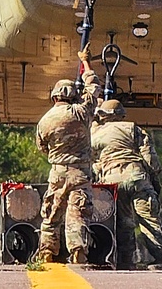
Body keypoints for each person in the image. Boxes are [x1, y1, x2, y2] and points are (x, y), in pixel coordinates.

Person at [34, 45, 102, 264]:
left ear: (54, 97)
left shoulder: (44, 121)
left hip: (57, 173)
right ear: (73, 96)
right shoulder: (81, 113)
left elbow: (41, 147)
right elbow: (94, 88)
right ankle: (78, 252)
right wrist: (86, 62)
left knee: (52, 214)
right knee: (78, 214)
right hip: (80, 174)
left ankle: (46, 251)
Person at [91, 99, 162, 268]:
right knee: (149, 220)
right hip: (136, 177)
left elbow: (90, 160)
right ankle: (160, 259)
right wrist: (154, 181)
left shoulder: (95, 134)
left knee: (123, 222)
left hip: (111, 182)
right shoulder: (133, 129)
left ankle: (126, 262)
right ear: (121, 115)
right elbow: (150, 159)